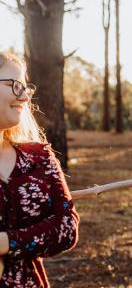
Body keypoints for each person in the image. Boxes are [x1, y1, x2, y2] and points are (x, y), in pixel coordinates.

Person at [0, 52, 79, 287]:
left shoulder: (38, 157)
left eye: (25, 87)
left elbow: (67, 226)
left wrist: (8, 242)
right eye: (14, 85)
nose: (24, 96)